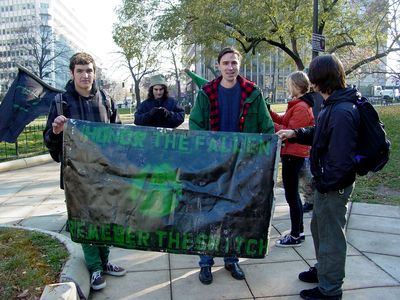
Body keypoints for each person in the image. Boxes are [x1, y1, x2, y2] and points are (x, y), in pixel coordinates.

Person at [276, 54, 360, 300]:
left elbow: (342, 158)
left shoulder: (342, 110)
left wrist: (324, 183)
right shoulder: (332, 104)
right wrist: (296, 132)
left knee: (331, 235)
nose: (309, 80)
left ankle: (330, 289)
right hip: (326, 182)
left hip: (334, 185)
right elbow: (319, 133)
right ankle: (324, 270)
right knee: (318, 227)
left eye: (312, 76)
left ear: (318, 79)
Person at [189, 46, 274, 285]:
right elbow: (195, 126)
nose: (230, 67)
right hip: (212, 166)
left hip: (242, 167)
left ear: (239, 65)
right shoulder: (206, 93)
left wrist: (270, 147)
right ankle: (205, 263)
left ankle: (231, 259)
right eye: (225, 63)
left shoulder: (252, 93)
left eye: (234, 63)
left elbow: (266, 128)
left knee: (235, 214)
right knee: (208, 215)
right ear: (218, 66)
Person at [43, 52, 126, 291]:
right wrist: (56, 131)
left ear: (94, 72)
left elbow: (117, 134)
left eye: (89, 70)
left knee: (106, 218)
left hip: (104, 172)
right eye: (80, 71)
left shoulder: (106, 100)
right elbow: (49, 140)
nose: (85, 75)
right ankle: (94, 267)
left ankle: (105, 261)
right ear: (72, 73)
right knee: (85, 220)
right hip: (76, 175)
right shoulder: (60, 102)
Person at [270, 71, 314, 247]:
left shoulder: (302, 107)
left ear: (296, 85)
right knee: (292, 194)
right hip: (291, 153)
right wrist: (270, 113)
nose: (288, 87)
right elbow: (285, 121)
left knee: (292, 195)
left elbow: (291, 132)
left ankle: (297, 234)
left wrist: (271, 125)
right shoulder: (297, 105)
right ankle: (298, 232)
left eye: (289, 84)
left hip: (294, 154)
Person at [300, 90, 324, 213]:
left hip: (318, 139)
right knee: (309, 174)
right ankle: (310, 200)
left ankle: (313, 200)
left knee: (310, 174)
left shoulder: (321, 96)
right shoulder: (307, 98)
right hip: (310, 137)